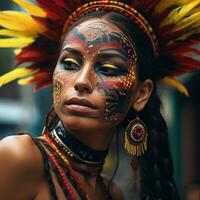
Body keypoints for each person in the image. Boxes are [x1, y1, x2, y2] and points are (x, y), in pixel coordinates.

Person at [0, 0, 200, 199]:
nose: (81, 81)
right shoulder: (18, 157)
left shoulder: (112, 194)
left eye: (107, 69)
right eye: (69, 64)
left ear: (141, 94)